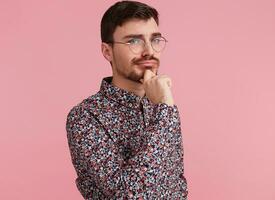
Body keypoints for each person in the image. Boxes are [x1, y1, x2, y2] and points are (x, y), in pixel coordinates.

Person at [65, 1, 188, 199]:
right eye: (134, 41)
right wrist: (165, 111)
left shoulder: (160, 106)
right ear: (107, 51)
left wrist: (163, 108)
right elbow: (129, 195)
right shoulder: (85, 117)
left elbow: (177, 185)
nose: (149, 50)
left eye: (155, 40)